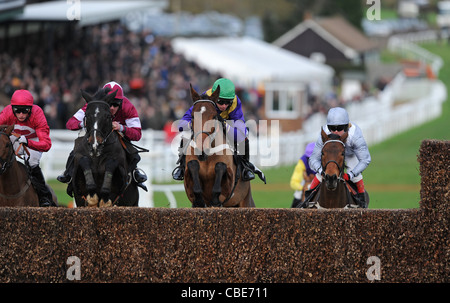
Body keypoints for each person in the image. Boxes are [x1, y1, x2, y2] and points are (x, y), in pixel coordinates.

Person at [57, 81, 148, 191]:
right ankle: (69, 173)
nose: (112, 108)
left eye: (116, 104)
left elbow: (137, 134)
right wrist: (83, 123)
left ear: (122, 102)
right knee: (77, 149)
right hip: (95, 135)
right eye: (110, 104)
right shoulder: (93, 105)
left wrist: (121, 128)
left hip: (118, 136)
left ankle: (134, 172)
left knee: (133, 153)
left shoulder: (128, 107)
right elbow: (70, 123)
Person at [172, 78, 266, 183]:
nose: (224, 106)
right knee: (186, 136)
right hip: (205, 129)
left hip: (227, 124)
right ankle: (181, 167)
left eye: (227, 102)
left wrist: (224, 124)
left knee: (245, 137)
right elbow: (181, 125)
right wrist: (193, 124)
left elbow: (240, 135)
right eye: (221, 102)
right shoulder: (204, 100)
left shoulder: (235, 103)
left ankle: (245, 167)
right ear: (214, 97)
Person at [0, 89, 55, 206]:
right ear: (12, 108)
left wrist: (28, 142)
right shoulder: (7, 112)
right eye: (17, 111)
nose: (21, 115)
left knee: (32, 161)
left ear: (31, 109)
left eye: (25, 111)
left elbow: (46, 144)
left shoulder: (37, 114)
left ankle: (44, 196)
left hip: (32, 140)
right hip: (15, 138)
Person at [308, 107, 371, 206]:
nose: (336, 132)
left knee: (356, 176)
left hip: (350, 154)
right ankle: (308, 198)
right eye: (332, 128)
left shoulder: (355, 135)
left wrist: (351, 174)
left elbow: (365, 159)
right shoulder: (324, 134)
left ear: (347, 127)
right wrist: (321, 171)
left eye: (340, 128)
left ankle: (362, 203)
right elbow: (313, 159)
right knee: (320, 175)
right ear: (328, 128)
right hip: (331, 155)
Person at [290, 142, 316, 208]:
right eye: (308, 158)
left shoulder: (325, 160)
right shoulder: (302, 162)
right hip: (306, 184)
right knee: (297, 194)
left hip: (320, 183)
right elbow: (294, 182)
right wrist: (303, 188)